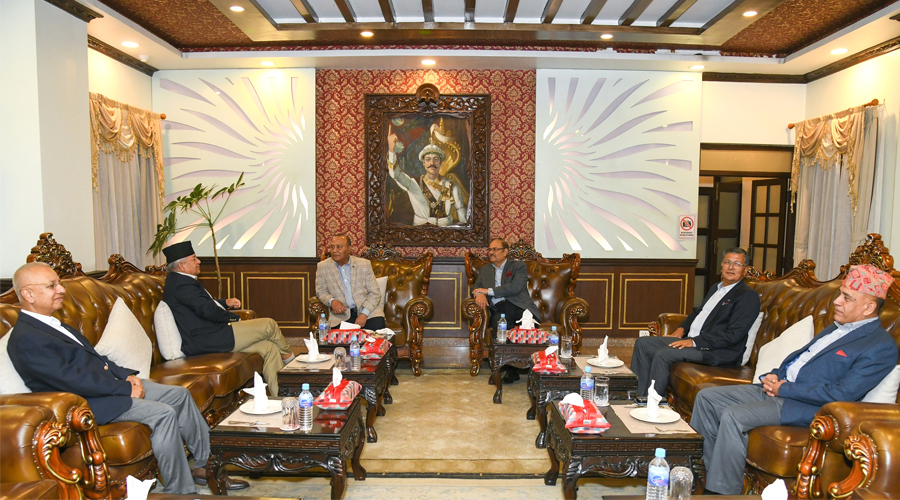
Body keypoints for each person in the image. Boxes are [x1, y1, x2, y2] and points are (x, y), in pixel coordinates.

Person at [6, 262, 248, 493]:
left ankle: (204, 466)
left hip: (108, 388)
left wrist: (128, 376)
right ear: (28, 294)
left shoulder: (52, 323)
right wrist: (123, 389)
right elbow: (70, 380)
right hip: (87, 403)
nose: (61, 289)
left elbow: (96, 359)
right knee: (163, 413)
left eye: (59, 283)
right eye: (52, 286)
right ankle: (179, 490)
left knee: (180, 395)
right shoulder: (27, 338)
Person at [691, 264, 899, 495]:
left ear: (869, 307)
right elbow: (800, 360)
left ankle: (722, 493)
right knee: (707, 398)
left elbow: (842, 393)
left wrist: (785, 389)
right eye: (840, 294)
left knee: (733, 415)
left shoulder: (880, 346)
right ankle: (701, 473)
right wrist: (775, 375)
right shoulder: (836, 328)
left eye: (847, 298)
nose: (837, 302)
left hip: (805, 406)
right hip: (780, 389)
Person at [162, 241, 293, 397]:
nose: (199, 261)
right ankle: (292, 363)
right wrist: (234, 319)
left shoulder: (179, 281)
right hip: (208, 339)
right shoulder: (182, 284)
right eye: (194, 259)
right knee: (268, 325)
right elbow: (207, 310)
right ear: (181, 266)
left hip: (210, 335)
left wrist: (224, 302)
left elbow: (200, 305)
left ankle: (280, 398)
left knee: (269, 348)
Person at [631, 248, 760, 398]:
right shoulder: (716, 288)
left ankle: (654, 403)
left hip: (717, 350)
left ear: (745, 270)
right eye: (727, 262)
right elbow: (698, 312)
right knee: (643, 343)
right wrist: (681, 329)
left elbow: (733, 335)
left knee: (663, 353)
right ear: (722, 266)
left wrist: (694, 342)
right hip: (696, 340)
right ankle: (640, 396)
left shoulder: (747, 296)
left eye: (737, 264)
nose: (731, 267)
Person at [472, 238, 542, 382]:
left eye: (495, 249)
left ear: (505, 251)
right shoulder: (485, 269)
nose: (491, 253)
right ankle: (505, 370)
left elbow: (514, 288)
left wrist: (487, 291)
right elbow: (475, 287)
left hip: (519, 306)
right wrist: (479, 294)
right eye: (490, 249)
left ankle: (523, 370)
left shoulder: (518, 266)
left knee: (526, 325)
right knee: (499, 325)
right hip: (499, 308)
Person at [387, 133, 468, 226]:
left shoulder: (452, 186)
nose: (432, 163)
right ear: (424, 163)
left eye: (436, 159)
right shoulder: (413, 184)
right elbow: (395, 174)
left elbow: (462, 215)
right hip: (419, 231)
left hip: (445, 232)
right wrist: (391, 151)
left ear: (441, 162)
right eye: (428, 159)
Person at [316, 234, 386, 330]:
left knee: (376, 331)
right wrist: (332, 301)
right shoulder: (323, 267)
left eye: (339, 247)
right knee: (339, 337)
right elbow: (321, 291)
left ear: (349, 249)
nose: (334, 250)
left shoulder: (364, 264)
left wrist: (364, 314)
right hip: (341, 315)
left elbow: (375, 293)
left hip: (368, 312)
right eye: (332, 247)